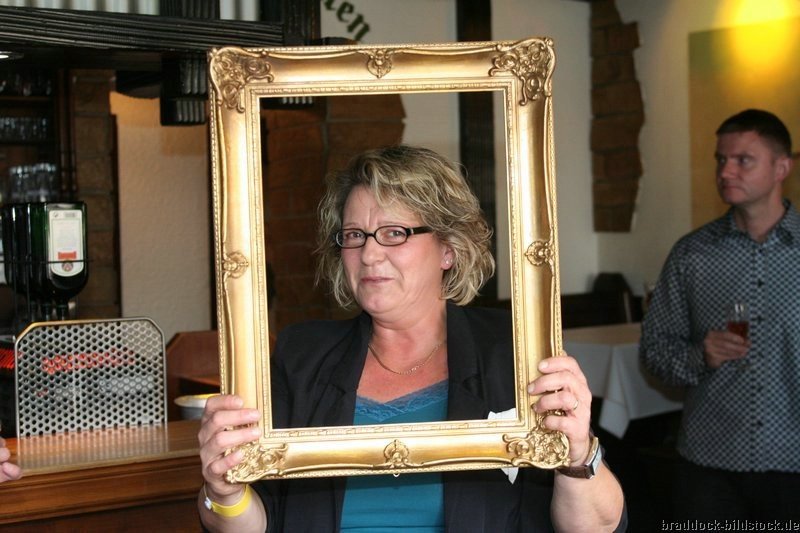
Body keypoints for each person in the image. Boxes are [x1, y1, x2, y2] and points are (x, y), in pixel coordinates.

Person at [198, 145, 627, 532]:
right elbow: (254, 523)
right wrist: (224, 493)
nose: (369, 254)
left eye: (395, 232)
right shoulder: (301, 356)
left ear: (449, 249)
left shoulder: (515, 353)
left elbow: (598, 528)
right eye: (354, 235)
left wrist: (579, 457)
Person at [640, 109, 800, 521]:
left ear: (782, 168)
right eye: (721, 159)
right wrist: (700, 356)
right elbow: (654, 351)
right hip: (710, 464)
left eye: (743, 160)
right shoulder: (692, 254)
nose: (726, 171)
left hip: (793, 459)